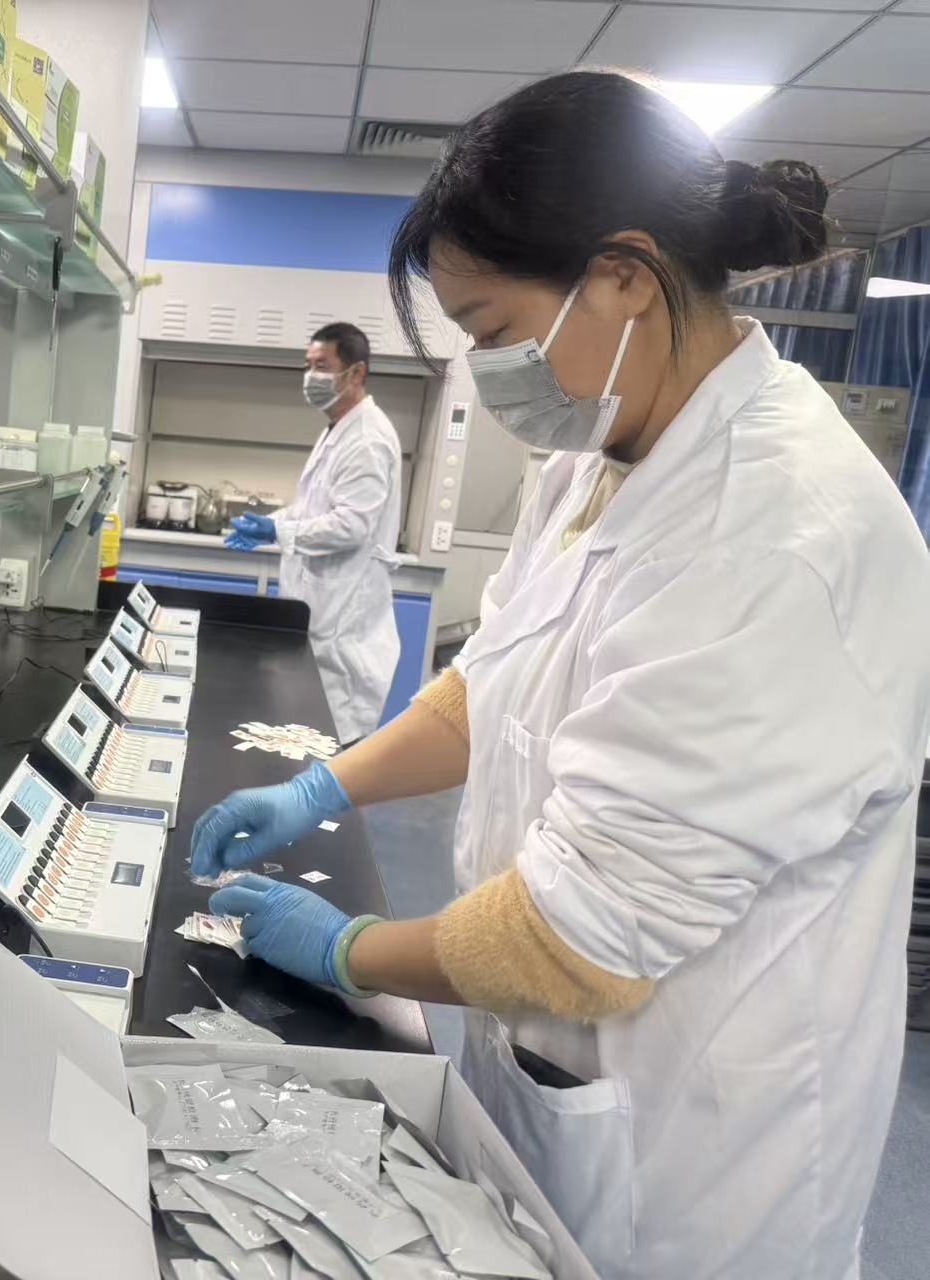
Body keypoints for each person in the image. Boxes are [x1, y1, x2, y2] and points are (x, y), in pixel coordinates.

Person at [190, 70, 930, 1280]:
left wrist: (347, 948)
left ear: (625, 274)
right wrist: (324, 785)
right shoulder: (600, 454)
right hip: (552, 1070)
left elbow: (579, 939)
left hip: (696, 1153)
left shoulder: (780, 534)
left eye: (492, 330)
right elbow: (493, 683)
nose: (489, 369)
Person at [226, 322, 402, 743]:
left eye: (322, 366)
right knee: (301, 738)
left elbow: (351, 526)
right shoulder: (338, 430)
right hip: (319, 618)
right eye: (308, 366)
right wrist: (274, 525)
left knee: (331, 747)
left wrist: (280, 531)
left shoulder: (367, 439)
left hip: (342, 633)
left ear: (356, 373)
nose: (311, 377)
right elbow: (314, 509)